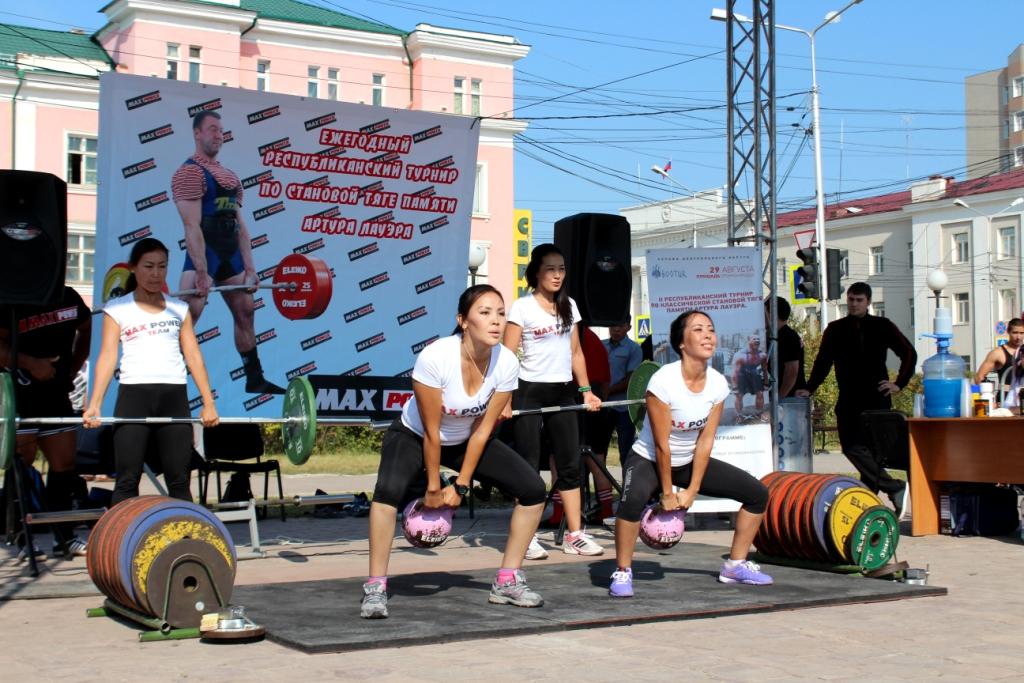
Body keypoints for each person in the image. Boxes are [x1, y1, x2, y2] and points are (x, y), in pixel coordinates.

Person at [360, 285, 547, 619]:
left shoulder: (506, 363)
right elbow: (431, 431)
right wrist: (434, 487)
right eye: (485, 313)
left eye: (501, 314)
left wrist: (460, 485)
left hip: (466, 439)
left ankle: (507, 580)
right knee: (387, 493)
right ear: (463, 320)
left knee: (533, 490)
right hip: (414, 435)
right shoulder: (435, 357)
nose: (496, 322)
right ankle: (375, 586)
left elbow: (483, 431)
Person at [609, 310, 771, 597]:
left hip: (688, 459)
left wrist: (692, 490)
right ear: (681, 343)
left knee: (757, 494)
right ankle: (622, 571)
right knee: (631, 501)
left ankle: (735, 565)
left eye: (710, 329)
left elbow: (706, 440)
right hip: (649, 458)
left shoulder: (718, 384)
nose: (708, 335)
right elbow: (661, 445)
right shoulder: (663, 381)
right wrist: (668, 493)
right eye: (698, 330)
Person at [84, 238, 219, 505]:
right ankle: (122, 545)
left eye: (162, 267)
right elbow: (108, 356)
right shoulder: (117, 309)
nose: (156, 274)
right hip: (134, 396)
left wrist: (208, 403)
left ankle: (185, 544)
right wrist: (94, 404)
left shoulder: (179, 308)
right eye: (148, 266)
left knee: (179, 480)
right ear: (134, 268)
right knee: (126, 479)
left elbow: (193, 355)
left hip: (173, 396)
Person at [503, 244, 604, 560]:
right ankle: (527, 537)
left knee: (570, 464)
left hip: (563, 391)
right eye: (550, 268)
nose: (558, 275)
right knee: (529, 467)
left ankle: (574, 535)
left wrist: (586, 390)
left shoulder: (569, 306)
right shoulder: (521, 307)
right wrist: (504, 400)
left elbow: (576, 353)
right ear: (536, 272)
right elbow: (507, 357)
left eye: (561, 268)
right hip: (529, 390)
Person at [172, 110, 283, 395]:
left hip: (231, 254)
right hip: (205, 254)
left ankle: (254, 377)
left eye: (220, 130)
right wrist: (200, 271)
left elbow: (240, 226)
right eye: (211, 129)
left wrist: (250, 267)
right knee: (190, 313)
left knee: (246, 311)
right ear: (197, 133)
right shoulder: (189, 173)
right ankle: (167, 376)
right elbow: (191, 226)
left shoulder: (230, 177)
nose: (217, 134)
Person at [797, 282, 917, 517]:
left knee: (872, 453)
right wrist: (809, 388)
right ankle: (894, 487)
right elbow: (823, 362)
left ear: (868, 302)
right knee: (852, 447)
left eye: (859, 300)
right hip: (849, 398)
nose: (853, 304)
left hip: (877, 398)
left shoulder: (882, 326)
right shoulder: (835, 329)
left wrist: (898, 384)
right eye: (850, 299)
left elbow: (909, 353)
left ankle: (871, 508)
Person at [0, 286, 92, 559]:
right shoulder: (13, 298)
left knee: (64, 463)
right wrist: (31, 363)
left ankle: (64, 536)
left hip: (55, 391)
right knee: (22, 462)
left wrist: (74, 366)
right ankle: (20, 537)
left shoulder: (69, 296)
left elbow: (87, 330)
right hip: (21, 391)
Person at [588, 316, 643, 521]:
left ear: (628, 326)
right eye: (612, 324)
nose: (616, 329)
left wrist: (607, 392)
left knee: (625, 454)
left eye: (620, 325)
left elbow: (631, 379)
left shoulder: (633, 349)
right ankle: (602, 504)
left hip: (622, 407)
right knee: (597, 453)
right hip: (601, 406)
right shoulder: (601, 345)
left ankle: (629, 498)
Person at [974, 318, 1023, 409]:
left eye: (1021, 333)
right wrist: (989, 399)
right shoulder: (998, 353)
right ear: (1008, 332)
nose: (1018, 337)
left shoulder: (1022, 352)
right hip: (1004, 401)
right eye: (1015, 332)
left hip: (1021, 399)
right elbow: (979, 377)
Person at [765, 297, 807, 398]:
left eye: (764, 312)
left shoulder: (789, 337)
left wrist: (780, 398)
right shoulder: (772, 336)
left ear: (772, 313)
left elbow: (791, 371)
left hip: (789, 401)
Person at [731, 335, 767, 416]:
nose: (757, 340)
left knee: (760, 394)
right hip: (741, 375)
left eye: (758, 339)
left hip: (754, 374)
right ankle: (738, 414)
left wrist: (766, 382)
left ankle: (759, 413)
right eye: (754, 339)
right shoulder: (740, 355)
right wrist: (735, 386)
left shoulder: (762, 355)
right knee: (739, 395)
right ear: (749, 341)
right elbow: (735, 372)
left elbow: (765, 370)